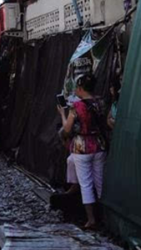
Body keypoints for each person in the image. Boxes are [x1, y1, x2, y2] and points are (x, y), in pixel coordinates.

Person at [57, 74, 107, 229]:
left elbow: (67, 129)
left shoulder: (76, 106)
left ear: (79, 88)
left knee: (85, 183)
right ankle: (104, 216)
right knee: (99, 180)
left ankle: (91, 219)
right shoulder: (101, 102)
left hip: (82, 146)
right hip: (99, 145)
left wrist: (62, 114)